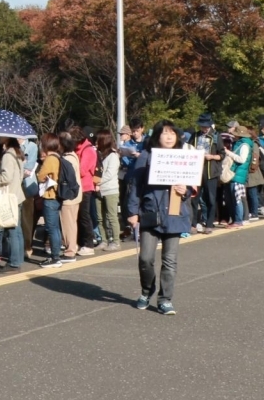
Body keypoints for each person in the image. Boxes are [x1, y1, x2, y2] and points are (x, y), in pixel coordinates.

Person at [127, 120, 195, 316]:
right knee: (145, 258)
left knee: (170, 261)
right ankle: (147, 291)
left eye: (172, 134)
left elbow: (189, 188)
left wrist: (185, 190)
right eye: (165, 133)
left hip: (174, 214)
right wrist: (132, 212)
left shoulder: (184, 157)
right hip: (150, 212)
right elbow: (135, 185)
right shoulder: (147, 156)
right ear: (157, 136)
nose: (169, 137)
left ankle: (165, 299)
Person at [0, 136, 26, 269]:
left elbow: (5, 177)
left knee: (12, 231)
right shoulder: (17, 153)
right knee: (17, 230)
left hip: (10, 196)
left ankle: (14, 262)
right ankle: (19, 258)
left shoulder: (8, 155)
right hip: (18, 195)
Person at [35, 134, 65, 268]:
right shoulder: (58, 157)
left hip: (50, 196)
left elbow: (40, 176)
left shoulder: (49, 160)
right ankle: (56, 254)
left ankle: (55, 257)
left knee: (52, 228)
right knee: (56, 228)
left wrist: (41, 174)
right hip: (58, 196)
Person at [193, 114, 225, 233]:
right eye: (202, 126)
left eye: (206, 126)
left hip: (210, 171)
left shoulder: (216, 136)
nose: (204, 129)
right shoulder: (195, 135)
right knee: (194, 199)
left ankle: (209, 224)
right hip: (196, 171)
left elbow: (222, 154)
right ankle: (193, 223)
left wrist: (211, 156)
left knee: (211, 199)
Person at [93, 130, 121, 250]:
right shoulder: (100, 155)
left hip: (110, 190)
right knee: (100, 217)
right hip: (99, 189)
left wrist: (97, 182)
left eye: (98, 140)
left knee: (112, 216)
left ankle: (116, 241)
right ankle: (103, 240)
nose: (96, 142)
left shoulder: (113, 156)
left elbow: (110, 174)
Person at [58, 131, 82, 261]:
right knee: (72, 223)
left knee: (68, 224)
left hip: (68, 196)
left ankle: (70, 251)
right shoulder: (73, 155)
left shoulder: (66, 159)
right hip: (76, 194)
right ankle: (73, 246)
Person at [74, 127, 98, 253]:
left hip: (86, 187)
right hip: (78, 187)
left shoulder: (88, 150)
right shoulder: (78, 148)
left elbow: (82, 170)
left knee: (84, 216)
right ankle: (80, 242)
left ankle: (89, 244)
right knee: (78, 216)